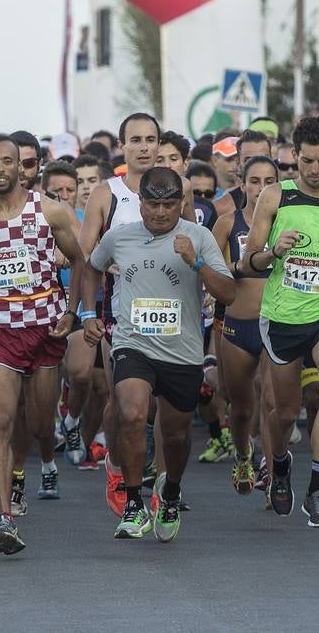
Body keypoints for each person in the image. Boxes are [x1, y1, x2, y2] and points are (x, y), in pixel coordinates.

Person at [81, 166, 236, 541]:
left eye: (170, 204)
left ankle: (170, 492)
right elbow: (90, 268)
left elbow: (229, 293)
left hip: (181, 350)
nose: (162, 213)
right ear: (141, 203)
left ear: (181, 202)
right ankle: (135, 504)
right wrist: (88, 313)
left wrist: (196, 263)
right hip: (133, 343)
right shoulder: (120, 237)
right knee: (132, 413)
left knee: (176, 436)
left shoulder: (197, 236)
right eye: (153, 204)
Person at [0, 134, 84, 555]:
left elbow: (81, 259)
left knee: (41, 422)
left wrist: (73, 311)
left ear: (24, 167)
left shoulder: (50, 211)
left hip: (45, 328)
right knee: (2, 419)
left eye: (8, 162)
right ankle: (4, 519)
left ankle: (23, 470)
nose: (1, 169)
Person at [237, 115, 319, 528]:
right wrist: (275, 251)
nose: (315, 171)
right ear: (294, 157)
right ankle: (279, 465)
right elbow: (248, 260)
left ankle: (316, 490)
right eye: (306, 162)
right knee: (283, 410)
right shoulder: (276, 197)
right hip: (284, 315)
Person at [211, 156, 279, 496]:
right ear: (244, 185)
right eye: (255, 181)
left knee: (270, 400)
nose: (262, 188)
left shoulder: (287, 222)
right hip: (237, 325)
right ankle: (242, 455)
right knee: (241, 407)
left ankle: (270, 472)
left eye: (269, 182)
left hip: (276, 325)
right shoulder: (227, 223)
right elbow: (210, 272)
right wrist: (239, 266)